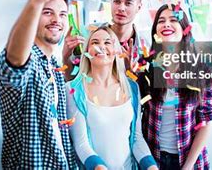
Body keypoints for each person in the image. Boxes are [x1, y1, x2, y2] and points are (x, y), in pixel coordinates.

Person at [0, 0, 85, 169]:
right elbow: (14, 64)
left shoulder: (52, 64)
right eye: (48, 12)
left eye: (62, 14)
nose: (57, 20)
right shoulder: (27, 60)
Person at [66, 25, 158, 170]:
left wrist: (151, 166)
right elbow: (81, 143)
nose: (101, 47)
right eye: (95, 42)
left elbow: (136, 138)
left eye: (108, 42)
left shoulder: (132, 87)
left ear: (116, 51)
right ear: (87, 51)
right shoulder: (73, 89)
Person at [138, 4, 212, 170]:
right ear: (156, 31)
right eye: (161, 21)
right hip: (153, 160)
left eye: (173, 20)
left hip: (190, 161)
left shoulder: (203, 69)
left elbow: (206, 122)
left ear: (185, 29)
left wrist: (187, 166)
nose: (166, 24)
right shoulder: (146, 66)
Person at [63, 0, 147, 80]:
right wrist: (65, 57)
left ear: (139, 7)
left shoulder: (146, 47)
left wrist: (130, 73)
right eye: (116, 1)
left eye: (128, 3)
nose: (121, 8)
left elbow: (148, 92)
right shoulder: (89, 35)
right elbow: (73, 80)